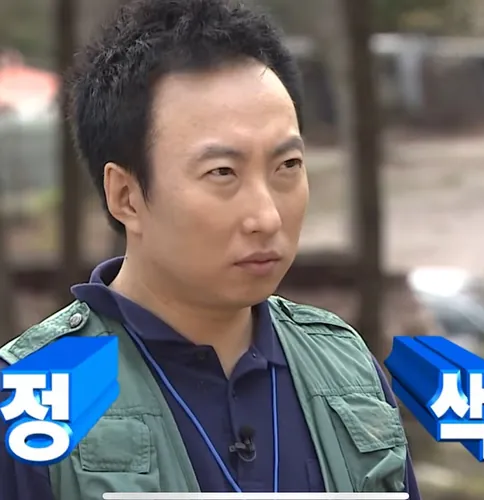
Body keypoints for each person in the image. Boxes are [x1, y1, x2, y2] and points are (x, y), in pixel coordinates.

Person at [0, 0, 421, 498]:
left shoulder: (346, 369)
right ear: (126, 196)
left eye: (287, 166)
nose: (267, 217)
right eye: (222, 172)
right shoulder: (35, 399)